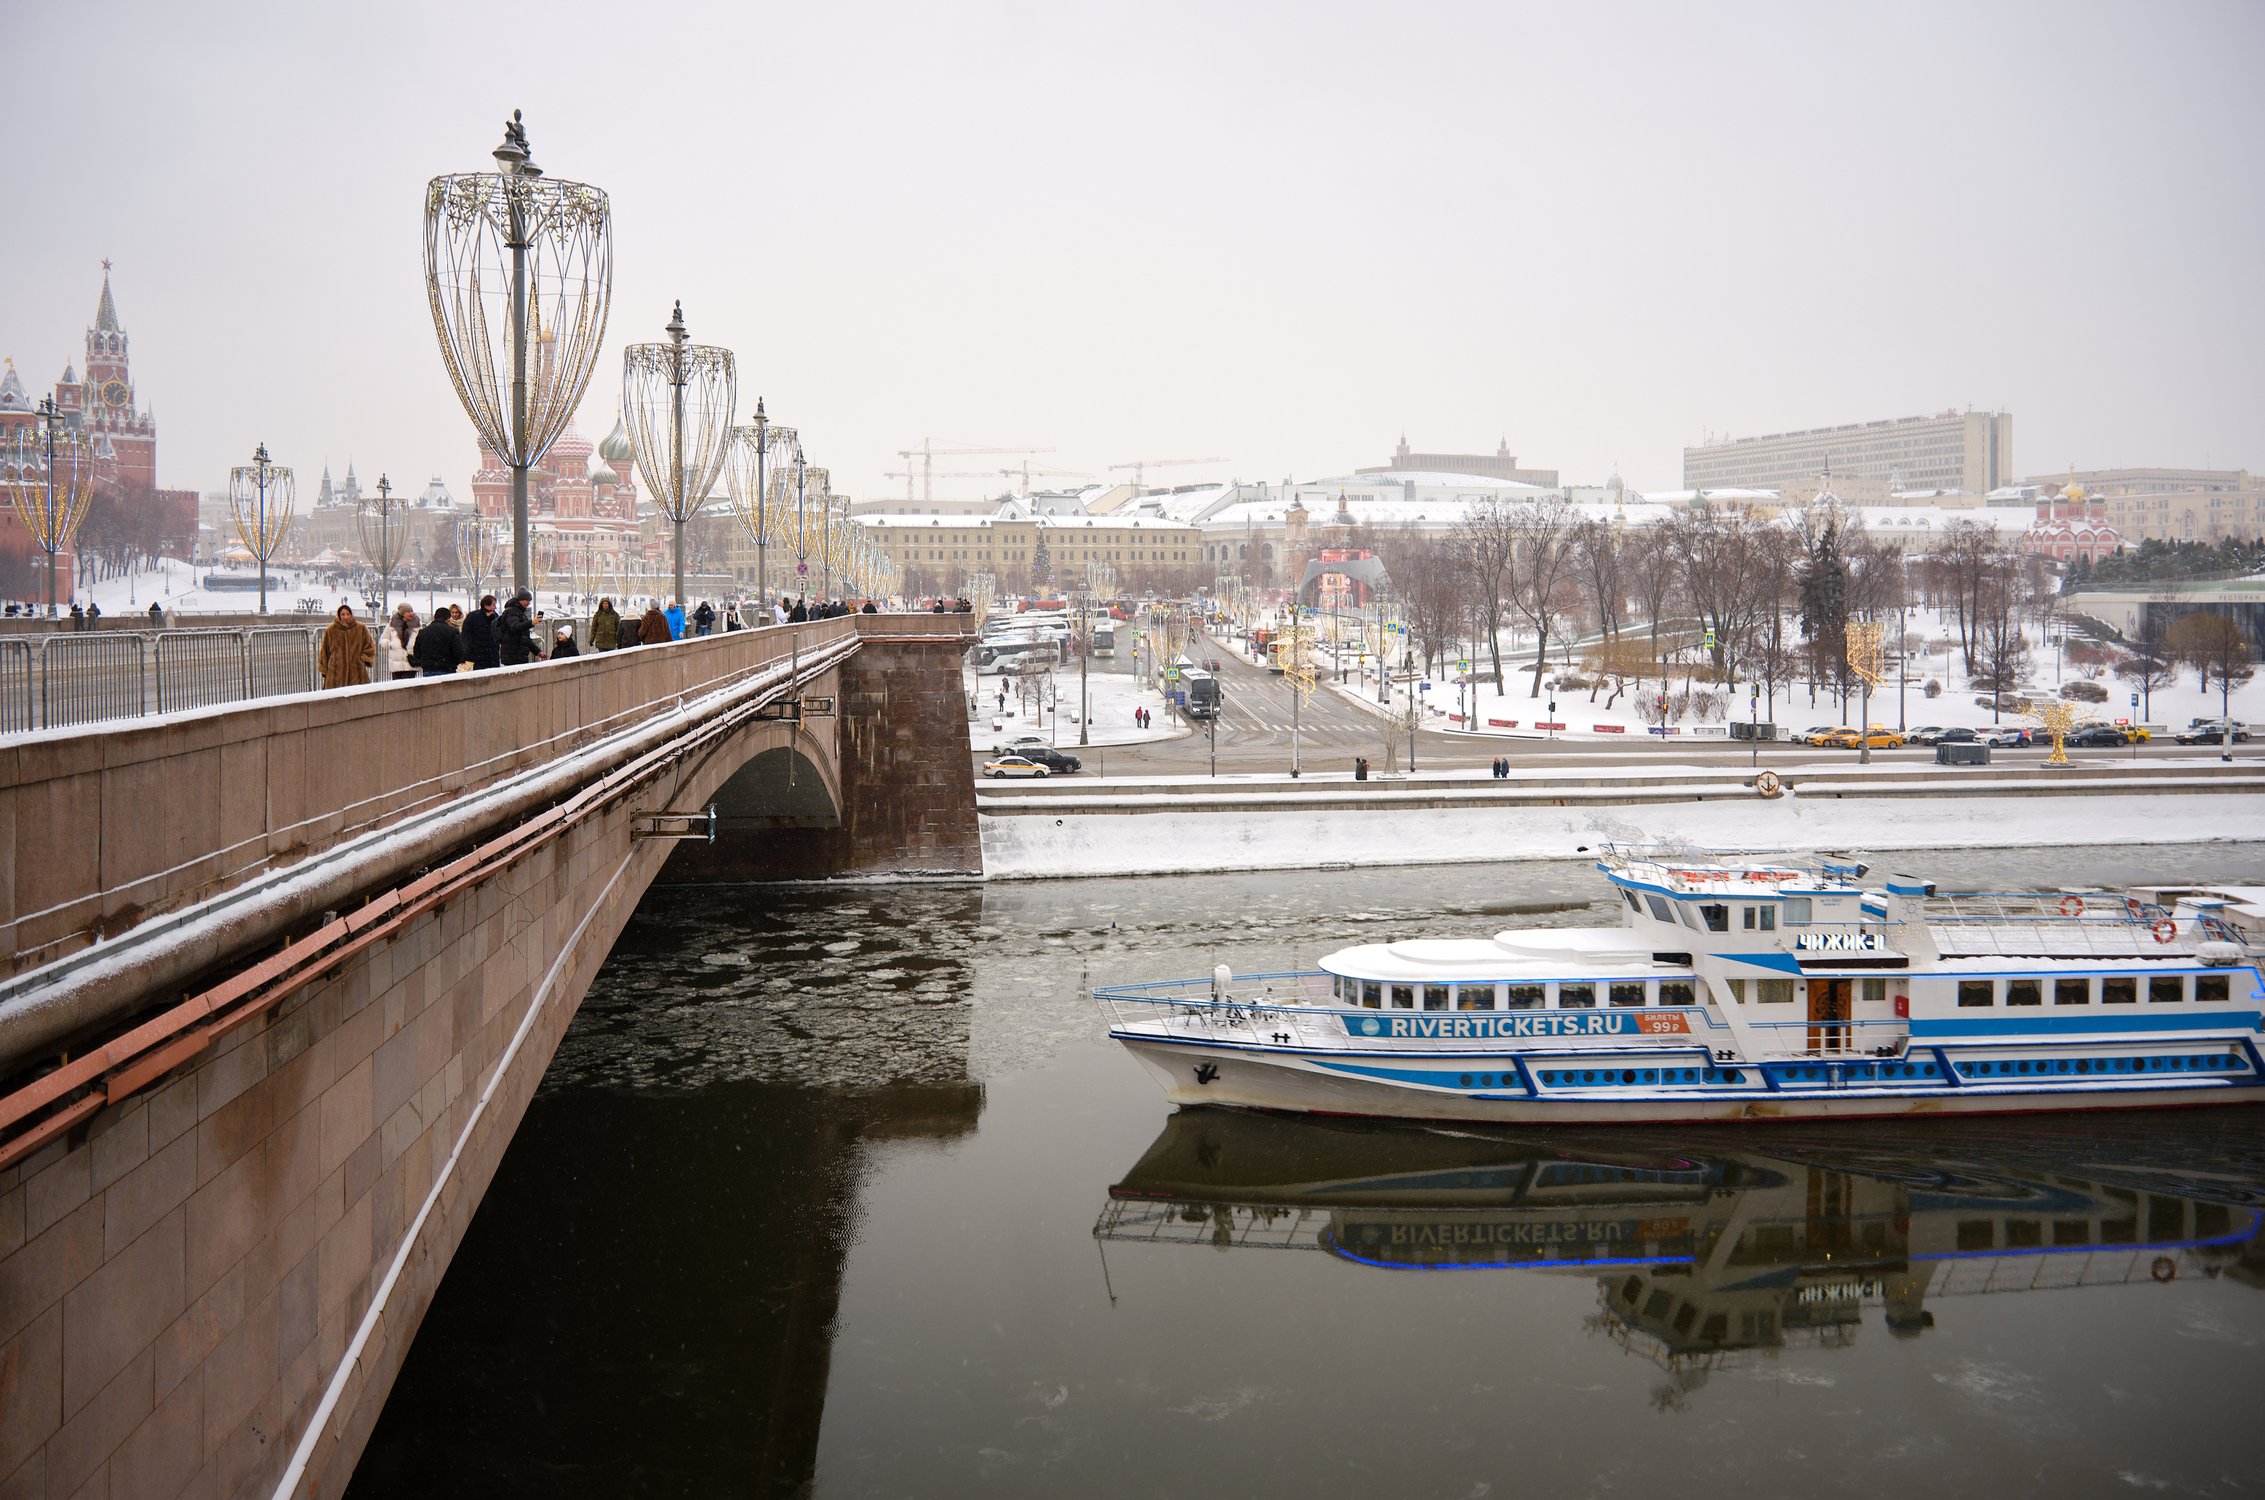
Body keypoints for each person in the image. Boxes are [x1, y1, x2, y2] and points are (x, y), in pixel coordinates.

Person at [319, 603, 374, 688]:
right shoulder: (331, 630)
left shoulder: (361, 628)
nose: (345, 617)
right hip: (335, 671)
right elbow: (324, 651)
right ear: (339, 615)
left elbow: (369, 645)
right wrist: (324, 669)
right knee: (336, 697)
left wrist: (362, 659)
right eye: (343, 614)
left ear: (351, 615)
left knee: (358, 696)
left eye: (348, 614)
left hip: (357, 670)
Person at [412, 606, 467, 676]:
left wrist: (425, 662)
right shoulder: (452, 632)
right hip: (447, 669)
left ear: (434, 617)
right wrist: (453, 663)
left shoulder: (423, 632)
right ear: (448, 619)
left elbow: (416, 652)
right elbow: (459, 652)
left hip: (428, 669)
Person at [499, 588, 537, 666]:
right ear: (520, 600)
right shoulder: (512, 611)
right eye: (527, 600)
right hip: (513, 655)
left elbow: (524, 638)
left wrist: (538, 652)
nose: (528, 603)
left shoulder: (520, 612)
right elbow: (515, 627)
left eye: (529, 601)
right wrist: (531, 622)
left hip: (518, 655)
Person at [464, 594, 502, 669]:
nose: (495, 607)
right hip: (478, 656)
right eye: (493, 605)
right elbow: (466, 636)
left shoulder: (495, 617)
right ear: (486, 605)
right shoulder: (473, 617)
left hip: (492, 656)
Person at [386, 605, 419, 681]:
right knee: (397, 688)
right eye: (408, 612)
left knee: (409, 688)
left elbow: (421, 639)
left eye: (412, 611)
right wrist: (391, 645)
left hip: (411, 661)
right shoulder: (391, 625)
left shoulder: (417, 625)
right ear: (402, 613)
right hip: (396, 663)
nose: (411, 613)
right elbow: (383, 639)